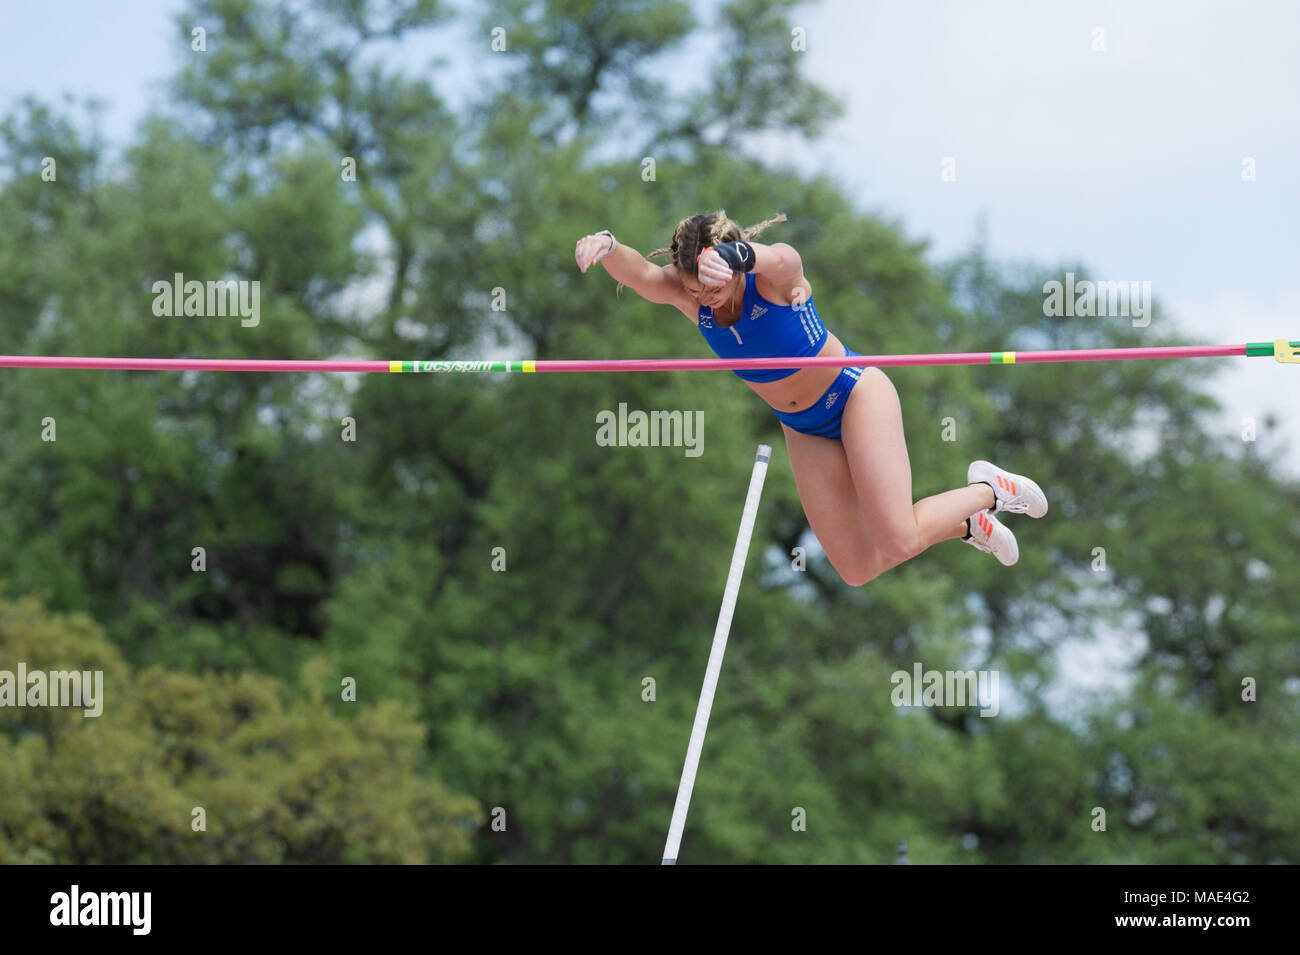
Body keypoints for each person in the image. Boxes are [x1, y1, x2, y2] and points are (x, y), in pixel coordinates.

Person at [574, 210, 1047, 585]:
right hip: (802, 427)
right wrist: (609, 245)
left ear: (737, 267)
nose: (707, 297)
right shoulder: (690, 296)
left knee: (899, 540)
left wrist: (741, 254)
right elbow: (637, 273)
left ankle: (989, 490)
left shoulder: (772, 279)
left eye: (715, 285)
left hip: (854, 392)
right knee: (858, 570)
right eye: (697, 289)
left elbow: (786, 257)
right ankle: (967, 524)